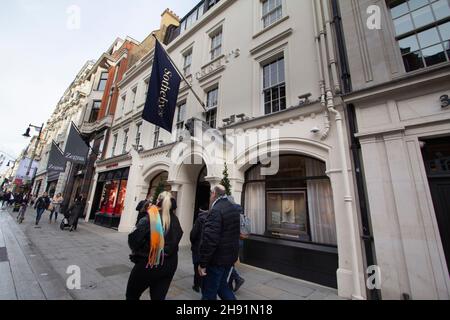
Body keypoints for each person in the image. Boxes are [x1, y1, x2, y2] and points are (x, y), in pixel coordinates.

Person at [126, 192, 183, 300]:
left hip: (149, 264)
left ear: (158, 201)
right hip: (169, 265)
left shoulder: (150, 218)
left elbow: (134, 240)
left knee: (132, 295)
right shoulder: (175, 220)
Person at [198, 185, 241, 301]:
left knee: (209, 293)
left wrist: (203, 263)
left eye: (211, 194)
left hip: (216, 260)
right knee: (222, 287)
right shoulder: (233, 207)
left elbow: (210, 240)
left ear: (213, 193)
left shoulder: (215, 210)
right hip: (228, 258)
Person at [190, 207, 208, 293]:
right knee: (204, 266)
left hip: (197, 248)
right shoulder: (210, 220)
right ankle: (202, 284)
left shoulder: (198, 220)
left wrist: (193, 243)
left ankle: (196, 285)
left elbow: (193, 235)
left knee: (196, 266)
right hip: (206, 248)